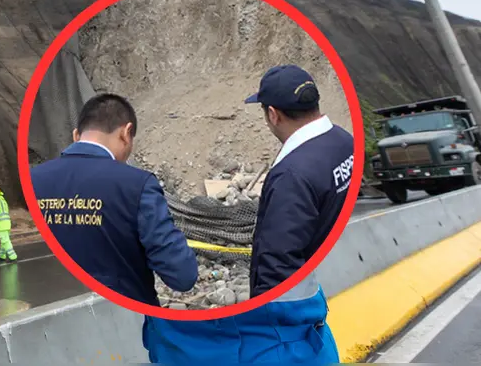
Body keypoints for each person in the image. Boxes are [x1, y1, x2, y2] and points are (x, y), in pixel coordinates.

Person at [142, 64, 353, 364]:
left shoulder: (291, 175)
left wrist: (260, 323)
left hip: (285, 332)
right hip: (310, 313)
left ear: (273, 114)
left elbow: (277, 263)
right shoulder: (343, 142)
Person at [29, 93, 198, 306]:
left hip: (51, 315)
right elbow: (182, 275)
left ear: (76, 135)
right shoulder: (137, 185)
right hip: (125, 316)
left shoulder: (32, 179)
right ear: (126, 133)